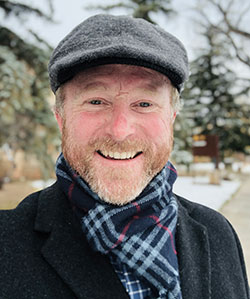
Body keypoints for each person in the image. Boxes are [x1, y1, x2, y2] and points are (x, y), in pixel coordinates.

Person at [0, 14, 249, 299]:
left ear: (171, 118)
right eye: (96, 101)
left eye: (144, 103)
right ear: (60, 117)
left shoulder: (218, 233)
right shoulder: (6, 246)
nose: (120, 132)